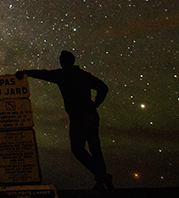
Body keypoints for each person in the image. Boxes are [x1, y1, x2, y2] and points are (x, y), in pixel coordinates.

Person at [16, 50, 114, 190]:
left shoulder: (62, 75)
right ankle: (102, 177)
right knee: (95, 148)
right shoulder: (83, 75)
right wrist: (95, 103)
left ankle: (102, 177)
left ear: (62, 62)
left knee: (78, 149)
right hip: (91, 115)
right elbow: (103, 87)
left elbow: (44, 74)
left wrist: (26, 72)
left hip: (78, 118)